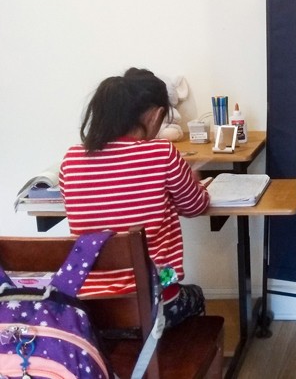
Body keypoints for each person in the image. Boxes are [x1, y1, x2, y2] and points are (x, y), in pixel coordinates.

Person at [59, 67, 210, 328]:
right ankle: (169, 350)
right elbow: (196, 205)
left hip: (92, 309)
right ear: (155, 115)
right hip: (154, 305)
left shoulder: (71, 159)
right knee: (194, 295)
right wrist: (194, 183)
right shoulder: (162, 153)